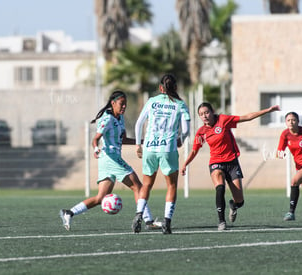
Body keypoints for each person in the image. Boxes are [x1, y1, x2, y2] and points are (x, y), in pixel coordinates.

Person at [59, 90, 160, 231]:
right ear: (113, 103)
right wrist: (95, 149)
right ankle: (148, 221)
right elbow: (95, 139)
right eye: (121, 104)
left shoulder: (120, 118)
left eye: (125, 104)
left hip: (109, 160)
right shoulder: (107, 119)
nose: (124, 107)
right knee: (138, 186)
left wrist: (143, 141)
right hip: (110, 158)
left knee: (101, 198)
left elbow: (123, 139)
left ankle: (69, 212)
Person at [181, 102, 280, 231]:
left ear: (212, 111)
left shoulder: (223, 120)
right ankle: (221, 221)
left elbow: (247, 117)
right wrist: (185, 164)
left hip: (232, 163)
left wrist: (268, 110)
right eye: (201, 114)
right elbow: (194, 150)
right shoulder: (201, 132)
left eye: (206, 112)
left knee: (240, 201)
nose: (204, 116)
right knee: (220, 187)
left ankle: (233, 205)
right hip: (216, 163)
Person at [132, 74, 190, 234]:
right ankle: (167, 222)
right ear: (176, 88)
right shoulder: (180, 104)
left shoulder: (151, 101)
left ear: (160, 88)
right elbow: (186, 130)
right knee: (171, 185)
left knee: (146, 184)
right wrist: (180, 140)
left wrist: (138, 144)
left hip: (149, 147)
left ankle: (138, 215)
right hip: (167, 149)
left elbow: (138, 124)